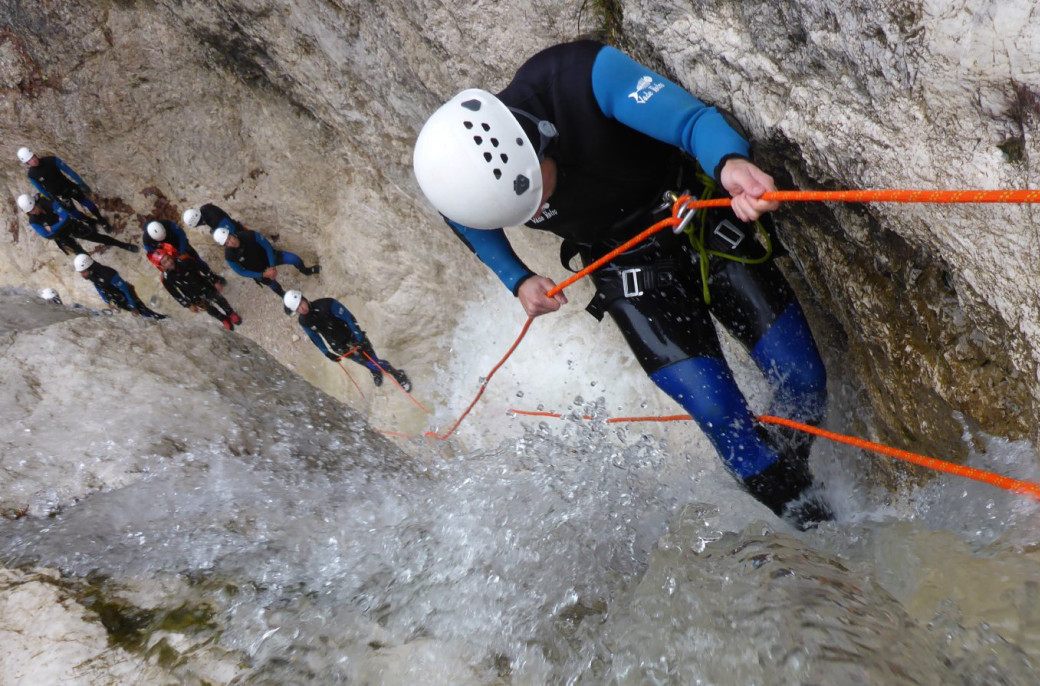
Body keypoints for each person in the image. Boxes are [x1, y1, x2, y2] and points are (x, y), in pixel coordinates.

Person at [412, 40, 830, 528]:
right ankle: (823, 532)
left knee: (803, 382)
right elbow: (463, 218)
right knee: (721, 416)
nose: (533, 214)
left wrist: (729, 164)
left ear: (540, 142)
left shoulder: (581, 78)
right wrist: (517, 277)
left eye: (532, 200)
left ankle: (789, 470)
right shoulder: (464, 177)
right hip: (628, 273)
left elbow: (692, 123)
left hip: (696, 222)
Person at [283, 289, 411, 391]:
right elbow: (314, 337)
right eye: (298, 308)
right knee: (365, 363)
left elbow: (348, 318)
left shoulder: (327, 304)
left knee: (374, 362)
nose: (302, 309)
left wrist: (359, 337)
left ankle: (397, 374)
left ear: (304, 298)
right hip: (339, 347)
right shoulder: (304, 321)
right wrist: (326, 353)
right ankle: (374, 371)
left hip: (354, 338)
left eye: (301, 304)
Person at [213, 226, 320, 299]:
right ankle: (283, 295)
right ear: (225, 246)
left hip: (269, 257)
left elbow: (267, 246)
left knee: (294, 259)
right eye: (227, 242)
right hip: (258, 271)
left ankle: (305, 270)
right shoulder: (230, 257)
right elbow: (241, 271)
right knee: (273, 285)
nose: (231, 242)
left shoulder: (250, 235)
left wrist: (272, 267)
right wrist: (263, 274)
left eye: (229, 238)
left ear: (232, 234)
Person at [149, 245, 241, 330]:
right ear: (161, 266)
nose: (169, 262)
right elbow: (176, 294)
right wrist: (188, 305)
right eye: (165, 262)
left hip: (204, 284)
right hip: (193, 296)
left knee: (219, 299)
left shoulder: (184, 260)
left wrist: (214, 280)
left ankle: (230, 313)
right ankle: (222, 319)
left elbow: (202, 267)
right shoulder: (166, 279)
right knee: (209, 308)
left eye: (168, 258)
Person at [17, 147, 112, 229]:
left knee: (86, 202)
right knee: (74, 213)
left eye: (33, 157)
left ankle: (101, 220)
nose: (33, 160)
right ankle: (90, 221)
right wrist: (51, 199)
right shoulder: (32, 175)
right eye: (29, 160)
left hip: (69, 187)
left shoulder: (51, 160)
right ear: (27, 163)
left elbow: (68, 171)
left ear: (35, 154)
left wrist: (81, 183)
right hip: (58, 195)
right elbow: (41, 189)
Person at [18, 193, 138, 255]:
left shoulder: (46, 202)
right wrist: (58, 225)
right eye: (31, 211)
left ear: (35, 203)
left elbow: (65, 217)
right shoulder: (33, 220)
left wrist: (52, 228)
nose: (34, 212)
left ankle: (123, 245)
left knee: (97, 237)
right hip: (61, 237)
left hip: (70, 226)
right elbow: (47, 235)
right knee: (80, 254)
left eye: (34, 209)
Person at [73, 253, 166, 319]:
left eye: (83, 272)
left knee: (146, 313)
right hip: (117, 299)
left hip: (127, 297)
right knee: (142, 316)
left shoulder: (107, 274)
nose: (82, 275)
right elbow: (98, 287)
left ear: (89, 268)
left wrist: (133, 307)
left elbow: (126, 290)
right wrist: (107, 301)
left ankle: (163, 319)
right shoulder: (91, 275)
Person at [143, 220, 225, 285]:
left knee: (196, 260)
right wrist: (167, 262)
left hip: (179, 244)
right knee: (184, 271)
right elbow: (155, 258)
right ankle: (201, 282)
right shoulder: (147, 241)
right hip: (167, 255)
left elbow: (181, 235)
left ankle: (213, 277)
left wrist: (182, 251)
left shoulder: (167, 223)